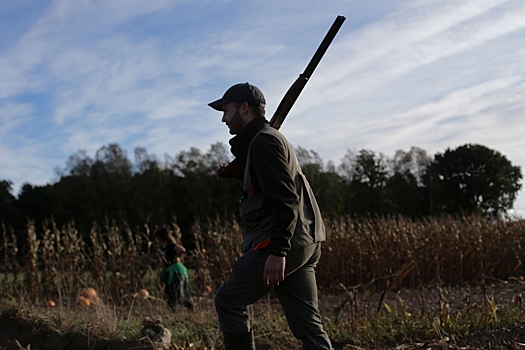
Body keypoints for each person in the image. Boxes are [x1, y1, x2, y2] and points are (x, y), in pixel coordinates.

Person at [208, 82, 332, 350]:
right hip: (305, 241)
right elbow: (265, 184)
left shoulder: (263, 142)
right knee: (309, 327)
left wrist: (277, 253)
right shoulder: (262, 142)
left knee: (228, 300)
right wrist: (234, 172)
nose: (223, 117)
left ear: (244, 108)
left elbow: (286, 200)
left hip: (281, 243)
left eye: (226, 110)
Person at [154, 228, 194, 311]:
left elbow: (182, 249)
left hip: (176, 271)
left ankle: (190, 306)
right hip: (169, 271)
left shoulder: (171, 245)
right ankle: (172, 310)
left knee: (178, 293)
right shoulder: (162, 247)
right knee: (167, 293)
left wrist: (178, 257)